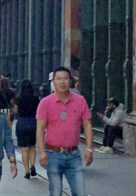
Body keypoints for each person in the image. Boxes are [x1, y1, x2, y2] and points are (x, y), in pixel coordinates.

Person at [36, 66, 93, 196]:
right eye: (59, 79)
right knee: (55, 192)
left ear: (70, 81)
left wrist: (89, 149)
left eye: (66, 79)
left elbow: (88, 125)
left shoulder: (80, 100)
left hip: (74, 154)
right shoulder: (45, 103)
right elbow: (39, 129)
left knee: (79, 191)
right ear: (53, 82)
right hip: (53, 154)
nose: (62, 82)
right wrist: (42, 152)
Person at [14, 79, 39, 179]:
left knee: (24, 149)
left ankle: (27, 171)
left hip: (22, 123)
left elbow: (15, 111)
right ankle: (33, 165)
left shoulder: (18, 99)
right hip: (33, 123)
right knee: (32, 147)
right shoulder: (36, 98)